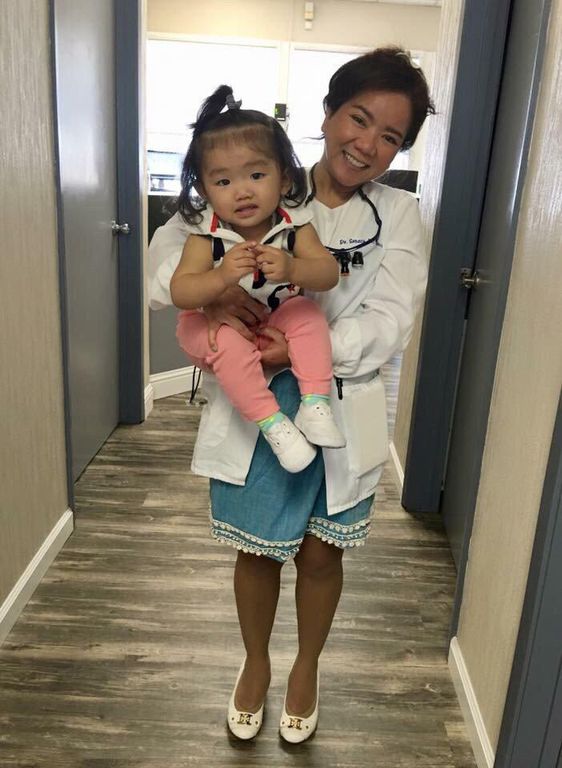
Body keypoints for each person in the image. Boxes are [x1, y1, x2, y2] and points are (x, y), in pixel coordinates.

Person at [148, 46, 434, 743]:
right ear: (328, 113)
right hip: (256, 407)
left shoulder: (398, 214)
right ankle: (255, 663)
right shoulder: (259, 177)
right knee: (256, 550)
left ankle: (307, 667)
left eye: (390, 136)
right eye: (358, 119)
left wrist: (313, 346)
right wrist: (213, 298)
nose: (366, 144)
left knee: (321, 554)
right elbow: (165, 265)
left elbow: (393, 316)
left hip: (340, 399)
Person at [170, 85, 345, 475]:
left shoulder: (294, 227)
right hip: (209, 328)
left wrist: (294, 269)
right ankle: (274, 424)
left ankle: (314, 404)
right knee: (227, 343)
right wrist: (220, 277)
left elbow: (328, 273)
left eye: (256, 174)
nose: (243, 191)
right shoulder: (206, 236)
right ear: (203, 190)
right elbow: (181, 292)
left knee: (306, 311)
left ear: (284, 179)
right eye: (223, 182)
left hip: (272, 319)